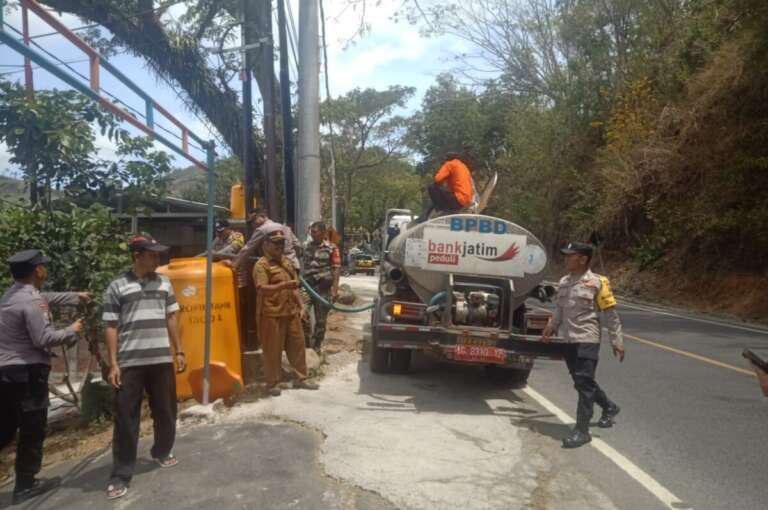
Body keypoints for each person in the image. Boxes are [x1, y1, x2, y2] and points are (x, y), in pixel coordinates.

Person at [0, 249, 87, 504]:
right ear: (37, 271)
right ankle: (26, 485)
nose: (46, 270)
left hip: (6, 372)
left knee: (5, 429)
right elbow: (44, 339)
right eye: (43, 266)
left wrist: (74, 297)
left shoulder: (12, 295)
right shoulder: (31, 302)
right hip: (27, 373)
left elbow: (45, 297)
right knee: (32, 427)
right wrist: (72, 330)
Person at [103, 235, 186, 500]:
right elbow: (111, 326)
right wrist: (114, 364)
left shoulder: (164, 282)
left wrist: (179, 350)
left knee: (166, 410)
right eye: (153, 254)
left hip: (161, 358)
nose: (158, 259)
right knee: (126, 418)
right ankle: (121, 473)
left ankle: (162, 450)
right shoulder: (117, 286)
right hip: (130, 362)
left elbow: (171, 316)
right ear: (137, 255)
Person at [543, 242, 625, 449]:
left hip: (587, 339)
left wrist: (617, 340)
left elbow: (611, 315)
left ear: (583, 259)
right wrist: (552, 326)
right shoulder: (564, 282)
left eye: (571, 256)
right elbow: (560, 309)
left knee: (583, 383)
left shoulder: (598, 282)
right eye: (567, 255)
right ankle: (609, 406)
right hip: (569, 340)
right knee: (582, 382)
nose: (566, 259)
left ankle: (582, 430)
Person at [253, 229, 319, 396]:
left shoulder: (287, 262)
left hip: (290, 312)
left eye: (282, 243)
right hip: (271, 314)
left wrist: (301, 306)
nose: (279, 246)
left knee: (298, 345)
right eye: (275, 243)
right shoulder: (262, 265)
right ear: (265, 245)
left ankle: (301, 379)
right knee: (272, 350)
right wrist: (282, 286)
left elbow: (294, 287)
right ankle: (272, 383)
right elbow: (261, 289)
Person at [301, 222, 341, 351]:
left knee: (320, 321)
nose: (312, 234)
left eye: (315, 232)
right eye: (311, 232)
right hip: (307, 286)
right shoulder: (306, 246)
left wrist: (335, 290)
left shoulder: (332, 248)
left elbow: (336, 269)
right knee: (301, 314)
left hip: (323, 288)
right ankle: (306, 344)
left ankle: (317, 346)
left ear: (323, 233)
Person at [417, 152, 475, 222]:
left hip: (458, 199)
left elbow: (437, 179)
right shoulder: (463, 166)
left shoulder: (450, 164)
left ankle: (443, 211)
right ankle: (426, 215)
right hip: (467, 201)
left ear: (447, 159)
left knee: (432, 187)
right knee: (440, 193)